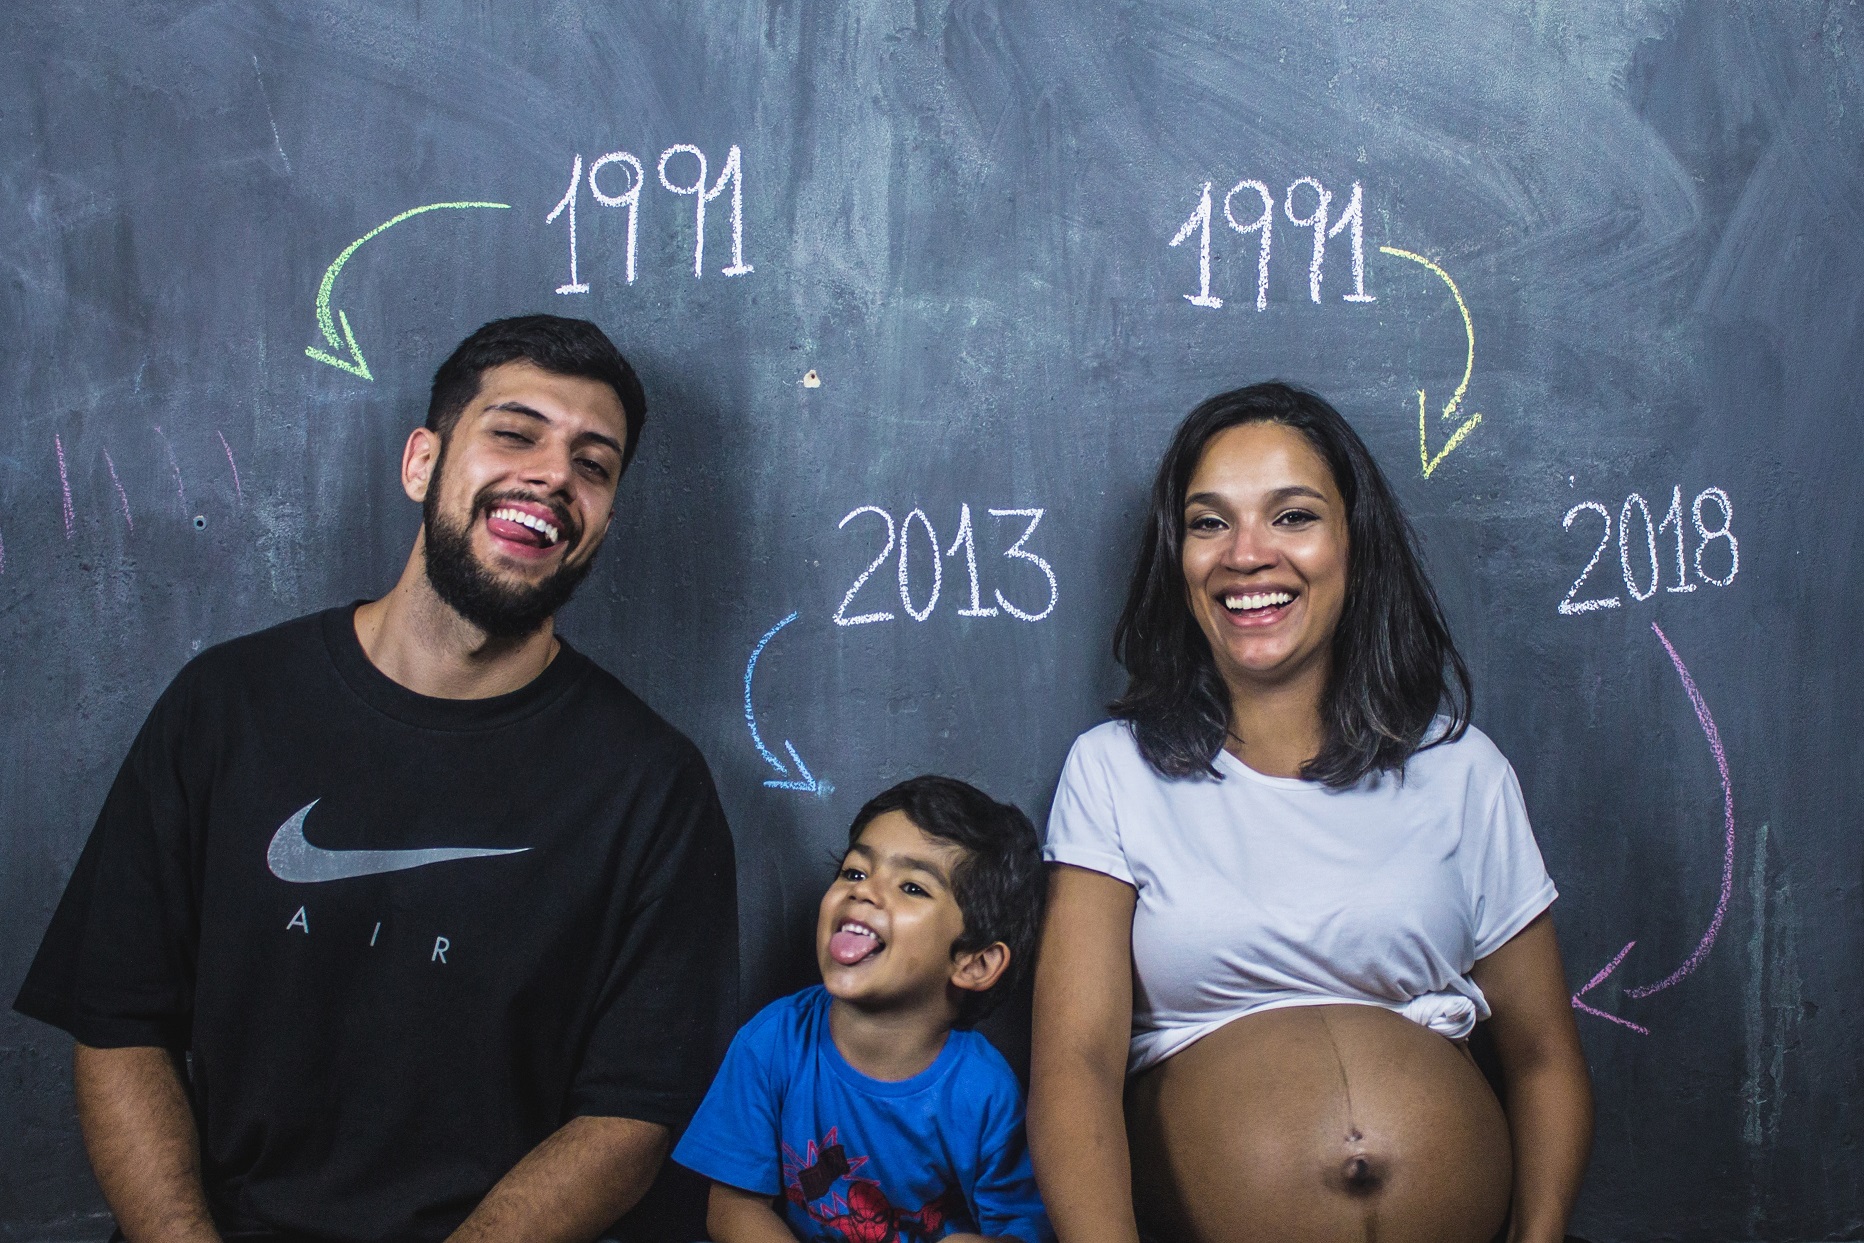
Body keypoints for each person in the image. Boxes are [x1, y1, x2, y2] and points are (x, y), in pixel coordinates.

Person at [13, 315, 738, 1243]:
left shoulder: (654, 788)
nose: (556, 475)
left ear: (600, 524)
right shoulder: (227, 705)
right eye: (515, 433)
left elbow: (631, 1116)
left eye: (594, 464)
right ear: (421, 463)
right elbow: (119, 1025)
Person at [1028, 383, 1594, 1243]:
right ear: (1176, 557)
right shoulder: (1113, 772)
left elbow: (1545, 1057)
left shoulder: (1461, 769)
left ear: (1354, 546)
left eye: (1292, 516)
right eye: (1209, 522)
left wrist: (1540, 1236)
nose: (1246, 555)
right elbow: (1075, 1064)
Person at [673, 776, 1053, 1243]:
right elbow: (734, 1210)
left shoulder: (985, 1093)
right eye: (854, 872)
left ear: (973, 963)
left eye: (912, 887)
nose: (864, 892)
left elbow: (1024, 1230)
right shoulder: (772, 1042)